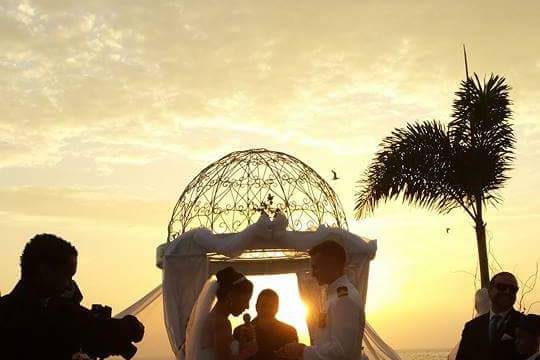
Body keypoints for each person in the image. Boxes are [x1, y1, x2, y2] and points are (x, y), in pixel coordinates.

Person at [0, 233, 145, 360]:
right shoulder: (53, 315)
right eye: (66, 275)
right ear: (44, 271)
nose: (69, 284)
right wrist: (125, 328)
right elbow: (89, 330)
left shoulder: (12, 309)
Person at [276, 240, 365, 359]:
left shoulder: (344, 299)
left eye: (315, 267)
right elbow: (327, 342)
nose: (313, 274)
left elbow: (342, 351)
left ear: (331, 264)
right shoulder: (332, 296)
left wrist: (302, 351)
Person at [185, 266, 258, 360]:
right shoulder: (221, 322)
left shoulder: (211, 318)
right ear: (231, 296)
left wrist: (242, 343)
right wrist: (248, 352)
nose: (247, 306)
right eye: (245, 300)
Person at [456, 272, 525, 360]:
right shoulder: (472, 327)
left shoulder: (524, 324)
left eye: (513, 289)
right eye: (502, 287)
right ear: (490, 290)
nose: (507, 292)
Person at [233, 289, 298, 359]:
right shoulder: (240, 331)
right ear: (256, 306)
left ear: (277, 308)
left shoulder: (289, 332)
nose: (267, 310)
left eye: (271, 306)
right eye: (264, 305)